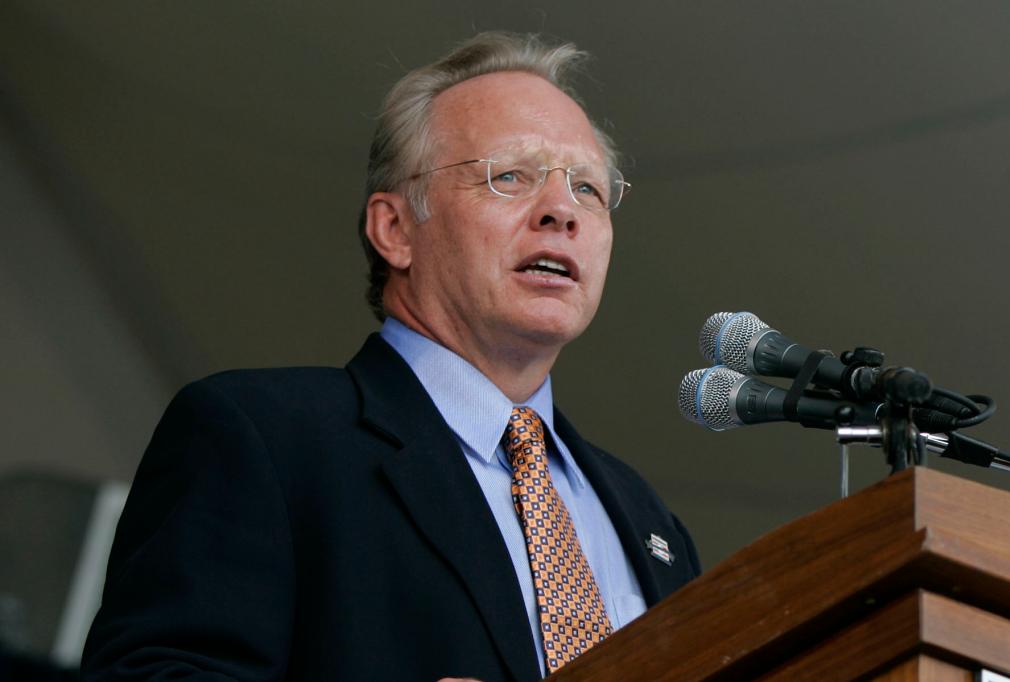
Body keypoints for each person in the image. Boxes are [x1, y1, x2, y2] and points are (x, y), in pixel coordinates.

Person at [81, 32, 700, 682]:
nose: (561, 213)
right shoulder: (263, 438)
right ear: (395, 230)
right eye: (510, 176)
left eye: (588, 190)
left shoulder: (647, 520)